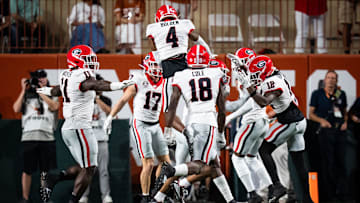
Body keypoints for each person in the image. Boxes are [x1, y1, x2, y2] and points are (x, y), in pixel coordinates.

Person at [37, 45, 134, 203]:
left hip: (70, 127)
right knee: (90, 168)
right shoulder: (82, 75)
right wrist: (120, 85)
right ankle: (71, 198)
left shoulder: (67, 75)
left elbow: (57, 91)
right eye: (87, 60)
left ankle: (54, 178)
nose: (91, 63)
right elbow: (97, 85)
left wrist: (43, 90)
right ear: (77, 61)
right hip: (79, 126)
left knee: (86, 167)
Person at [154, 45, 236, 203]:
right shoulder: (214, 74)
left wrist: (168, 130)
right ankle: (172, 173)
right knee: (197, 166)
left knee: (213, 165)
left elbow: (170, 108)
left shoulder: (182, 76)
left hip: (187, 127)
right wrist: (220, 134)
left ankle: (159, 197)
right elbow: (221, 110)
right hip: (204, 125)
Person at [237, 55, 313, 203]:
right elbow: (260, 84)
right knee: (299, 164)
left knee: (263, 149)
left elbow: (263, 102)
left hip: (288, 121)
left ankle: (277, 185)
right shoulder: (275, 72)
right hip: (298, 119)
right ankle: (309, 200)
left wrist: (248, 86)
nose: (256, 78)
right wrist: (244, 71)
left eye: (257, 75)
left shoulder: (273, 82)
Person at [103, 52, 172, 203]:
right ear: (146, 65)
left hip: (155, 125)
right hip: (140, 124)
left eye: (158, 65)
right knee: (148, 163)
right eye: (154, 64)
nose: (157, 68)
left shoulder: (165, 82)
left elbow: (169, 108)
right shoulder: (139, 80)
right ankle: (145, 197)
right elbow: (122, 100)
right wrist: (110, 117)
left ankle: (157, 194)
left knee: (166, 164)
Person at [146, 4, 213, 146]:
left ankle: (170, 132)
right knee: (192, 104)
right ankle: (199, 130)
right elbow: (196, 38)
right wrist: (209, 53)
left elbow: (154, 48)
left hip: (169, 70)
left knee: (168, 109)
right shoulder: (184, 23)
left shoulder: (153, 28)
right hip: (185, 68)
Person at [225, 48, 273, 203]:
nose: (234, 65)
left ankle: (253, 195)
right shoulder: (256, 72)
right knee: (251, 158)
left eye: (238, 62)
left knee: (237, 158)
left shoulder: (250, 76)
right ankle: (273, 188)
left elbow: (249, 103)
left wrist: (227, 111)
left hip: (252, 120)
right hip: (261, 121)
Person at [12, 69, 59, 203]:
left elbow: (54, 106)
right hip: (29, 137)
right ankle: (25, 199)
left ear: (46, 79)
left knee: (45, 171)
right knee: (27, 170)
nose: (40, 80)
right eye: (37, 78)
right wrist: (23, 90)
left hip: (47, 137)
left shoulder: (52, 92)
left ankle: (45, 198)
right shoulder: (27, 94)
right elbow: (16, 109)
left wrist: (40, 91)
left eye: (42, 78)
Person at [309, 70, 348, 201]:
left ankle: (341, 193)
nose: (331, 80)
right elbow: (311, 114)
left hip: (339, 132)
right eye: (329, 77)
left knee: (340, 162)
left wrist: (345, 122)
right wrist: (322, 121)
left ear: (336, 80)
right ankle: (328, 193)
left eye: (333, 78)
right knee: (328, 162)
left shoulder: (340, 94)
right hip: (325, 132)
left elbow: (344, 112)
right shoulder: (317, 94)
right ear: (325, 80)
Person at [79, 74, 113, 203]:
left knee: (103, 170)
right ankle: (83, 195)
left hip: (102, 138)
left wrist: (97, 98)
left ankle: (105, 195)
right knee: (86, 169)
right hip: (87, 140)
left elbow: (110, 111)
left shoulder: (106, 99)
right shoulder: (84, 99)